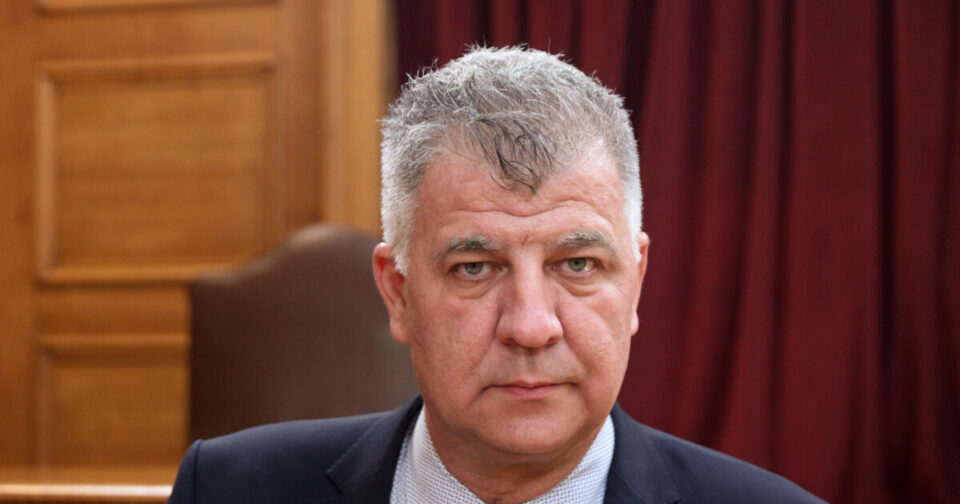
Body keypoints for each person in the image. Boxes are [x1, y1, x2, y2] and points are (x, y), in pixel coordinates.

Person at [168, 46, 825, 503]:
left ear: (636, 283)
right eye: (475, 268)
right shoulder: (227, 490)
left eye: (578, 264)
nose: (532, 328)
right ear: (398, 292)